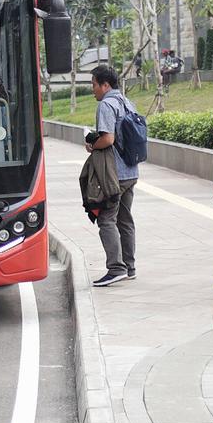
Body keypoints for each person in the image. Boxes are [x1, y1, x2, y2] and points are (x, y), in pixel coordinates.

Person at [87, 64, 140, 287]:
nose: (93, 90)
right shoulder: (128, 102)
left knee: (106, 219)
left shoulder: (107, 105)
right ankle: (129, 266)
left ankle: (115, 268)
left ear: (105, 84)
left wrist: (92, 145)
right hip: (131, 171)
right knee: (125, 219)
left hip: (114, 174)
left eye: (94, 85)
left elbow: (107, 139)